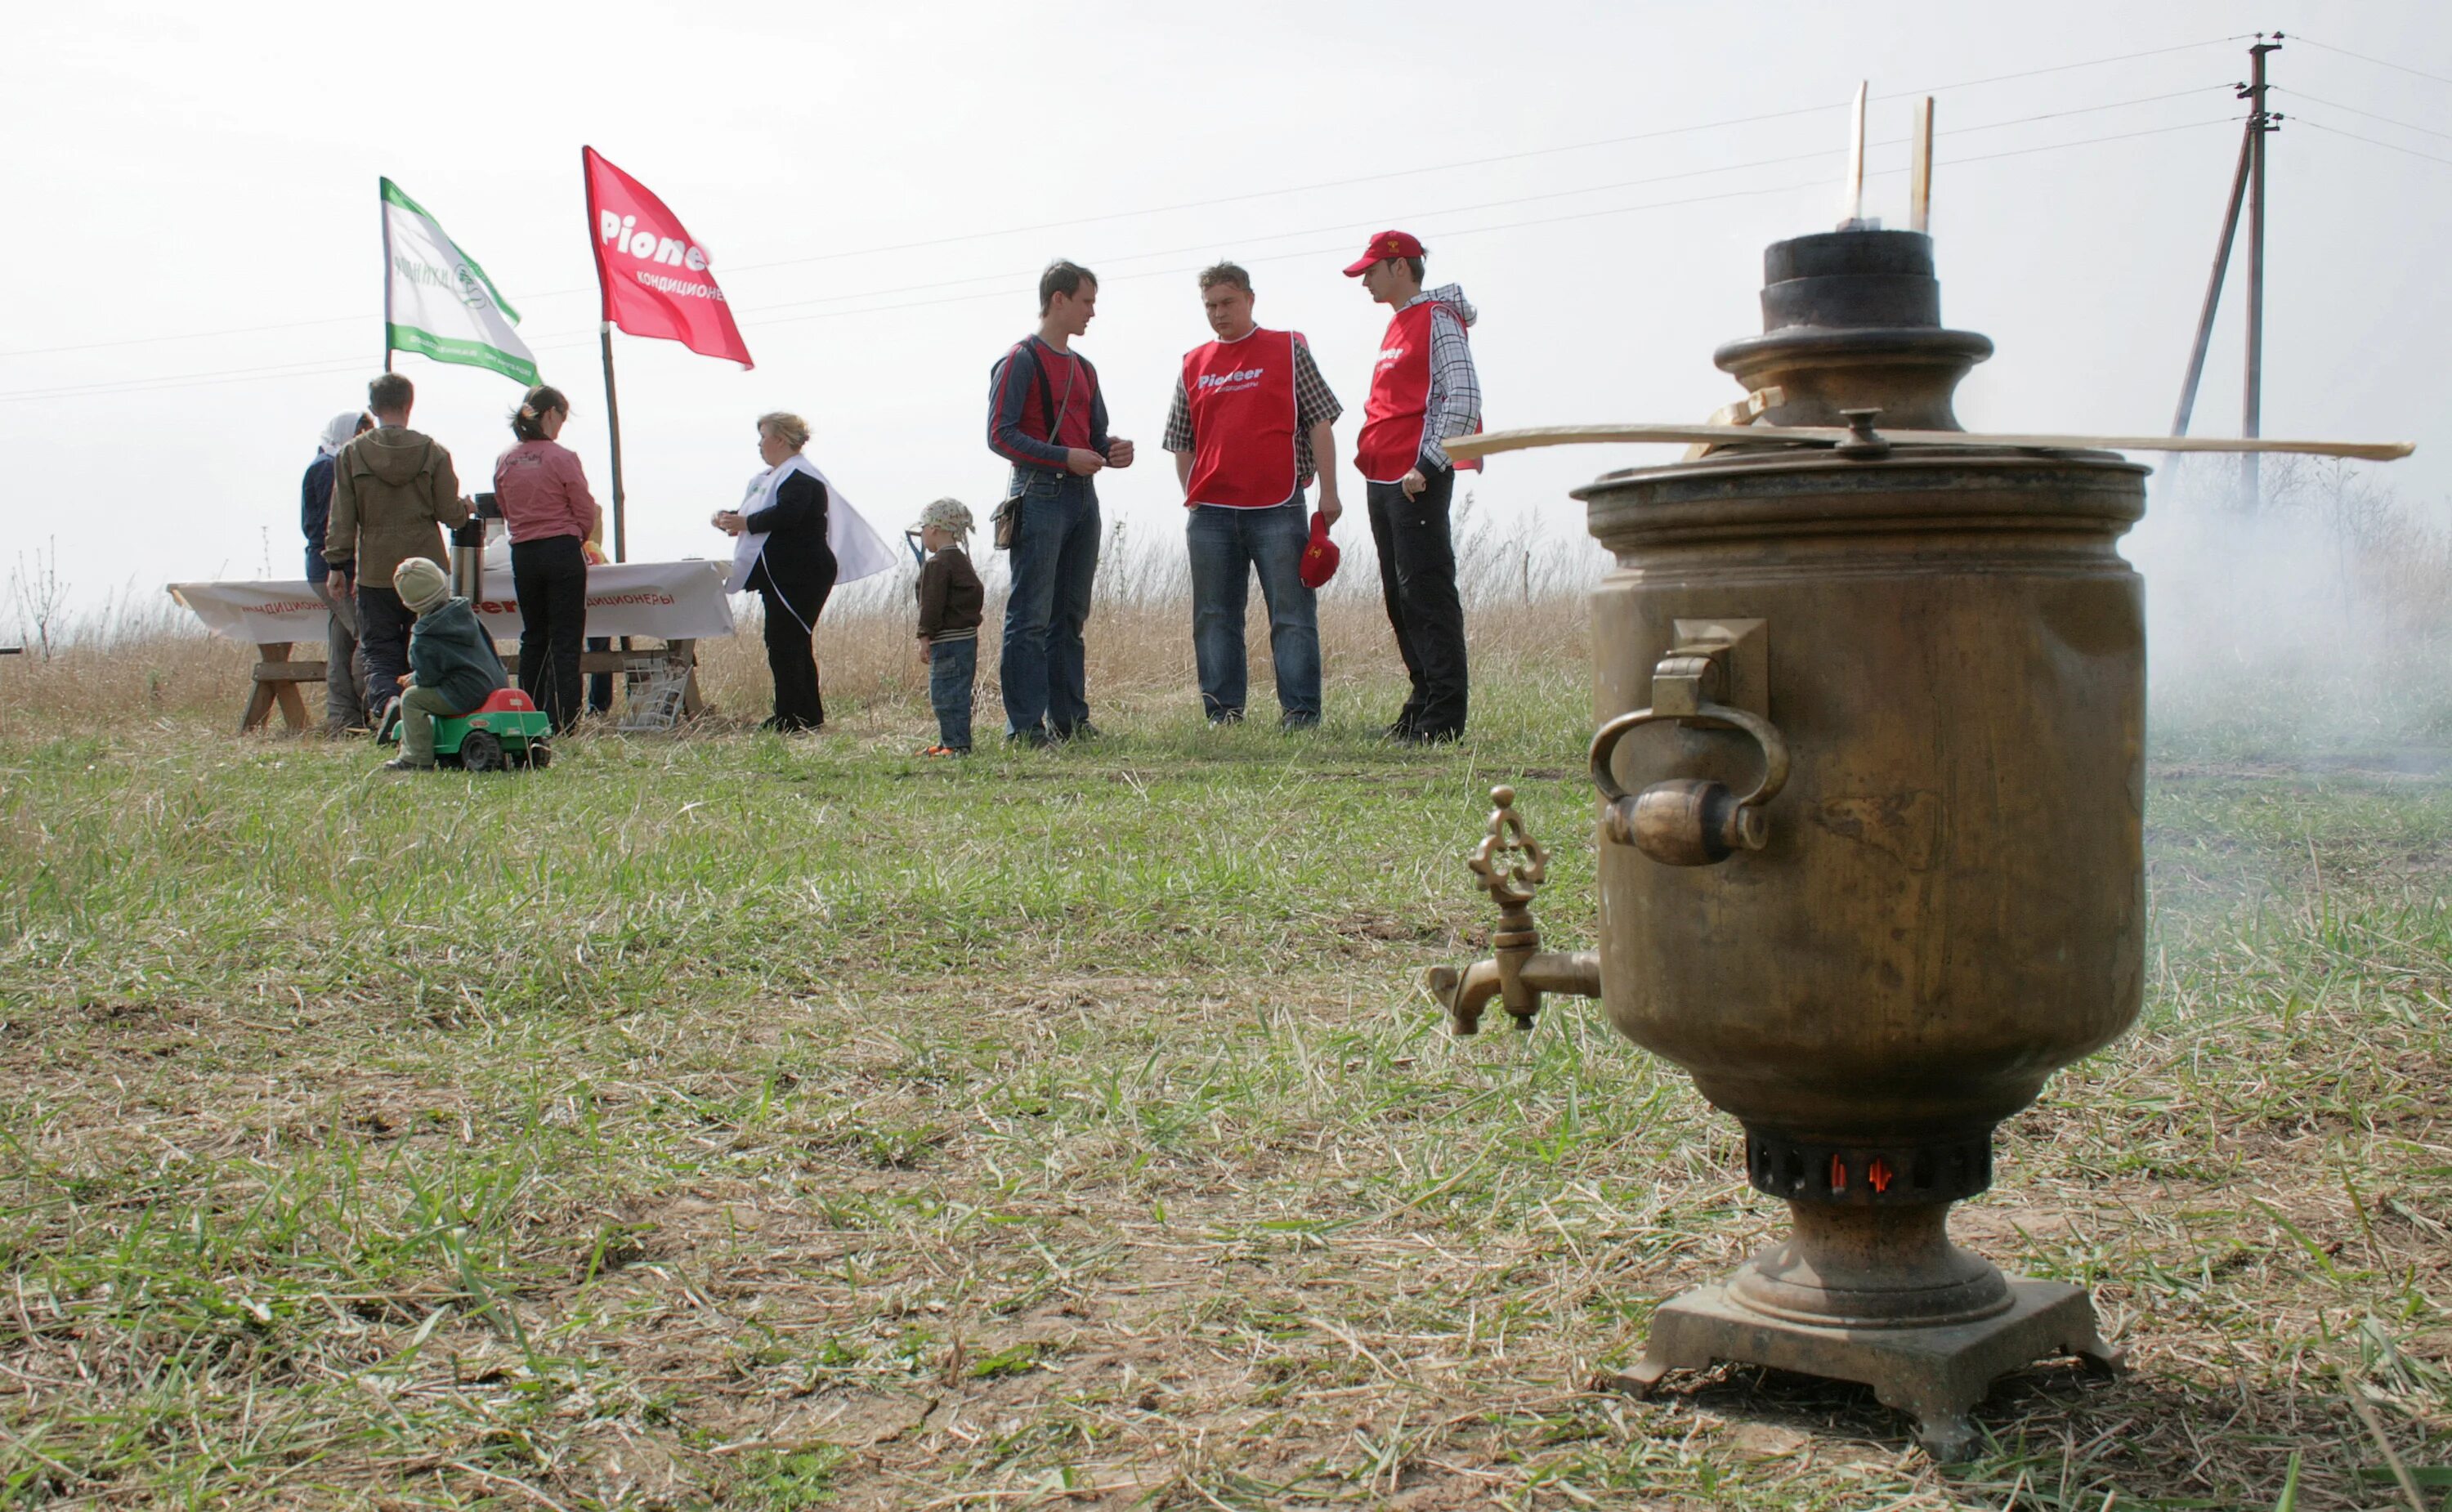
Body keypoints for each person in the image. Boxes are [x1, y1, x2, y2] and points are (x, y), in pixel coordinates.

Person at [1162, 262, 1343, 729]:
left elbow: (1320, 421)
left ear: (1250, 299)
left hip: (1279, 506)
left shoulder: (1287, 349)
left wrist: (1330, 492)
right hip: (1212, 514)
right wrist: (1193, 497)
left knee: (1291, 616)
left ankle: (1301, 715)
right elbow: (1181, 440)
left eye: (1227, 303)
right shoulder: (1193, 362)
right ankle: (1222, 716)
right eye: (1210, 306)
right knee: (1214, 617)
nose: (1219, 314)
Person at [987, 260, 1135, 746]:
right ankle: (1025, 729)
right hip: (1039, 492)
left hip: (1080, 497)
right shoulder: (1019, 359)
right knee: (1029, 617)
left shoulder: (1084, 369)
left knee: (1069, 616)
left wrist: (1113, 451)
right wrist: (1063, 457)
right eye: (1087, 301)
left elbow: (1091, 438)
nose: (1092, 312)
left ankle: (1069, 721)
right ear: (1059, 299)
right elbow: (999, 435)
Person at [1345, 230, 1482, 745]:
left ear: (1400, 267)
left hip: (1416, 476)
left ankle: (1444, 717)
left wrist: (1428, 463)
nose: (1365, 283)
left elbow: (1464, 398)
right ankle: (1422, 699)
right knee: (1400, 597)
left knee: (1426, 594)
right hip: (1384, 477)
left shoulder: (1437, 318)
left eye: (1371, 272)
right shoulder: (1397, 324)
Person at [325, 373, 471, 720]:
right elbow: (449, 514)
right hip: (427, 569)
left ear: (373, 408)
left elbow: (342, 518)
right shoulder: (434, 452)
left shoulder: (350, 454)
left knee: (379, 649)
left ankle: (389, 703)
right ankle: (428, 711)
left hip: (376, 570)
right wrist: (466, 509)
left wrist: (337, 566)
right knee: (433, 642)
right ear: (410, 404)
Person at [715, 412, 836, 732]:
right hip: (778, 574)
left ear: (780, 439)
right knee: (787, 642)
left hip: (801, 573)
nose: (760, 444)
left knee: (787, 642)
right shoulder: (771, 477)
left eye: (764, 436)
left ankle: (793, 716)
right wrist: (731, 518)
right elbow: (760, 514)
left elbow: (788, 514)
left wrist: (747, 523)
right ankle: (802, 714)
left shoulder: (801, 476)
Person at [492, 383, 600, 735]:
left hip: (524, 552)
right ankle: (566, 718)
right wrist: (578, 535)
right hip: (561, 549)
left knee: (534, 636)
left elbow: (504, 507)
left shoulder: (506, 458)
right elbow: (584, 507)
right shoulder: (562, 457)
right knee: (566, 638)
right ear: (551, 414)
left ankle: (529, 713)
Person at [379, 557, 508, 773]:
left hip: (464, 693)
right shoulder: (465, 613)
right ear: (442, 582)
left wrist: (414, 679)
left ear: (408, 602)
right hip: (495, 682)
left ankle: (415, 758)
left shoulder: (424, 635)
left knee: (411, 698)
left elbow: (429, 677)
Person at [302, 409, 373, 734]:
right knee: (367, 637)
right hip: (336, 569)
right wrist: (342, 566)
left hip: (331, 567)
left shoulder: (326, 464)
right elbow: (329, 526)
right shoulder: (330, 467)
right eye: (360, 432)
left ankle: (342, 718)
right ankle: (377, 703)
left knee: (342, 642)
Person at [910, 498, 984, 756]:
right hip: (966, 641)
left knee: (944, 695)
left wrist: (924, 636)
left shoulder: (937, 564)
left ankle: (955, 745)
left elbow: (931, 604)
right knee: (958, 693)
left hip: (947, 642)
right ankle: (949, 741)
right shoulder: (961, 561)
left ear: (933, 529)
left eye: (922, 530)